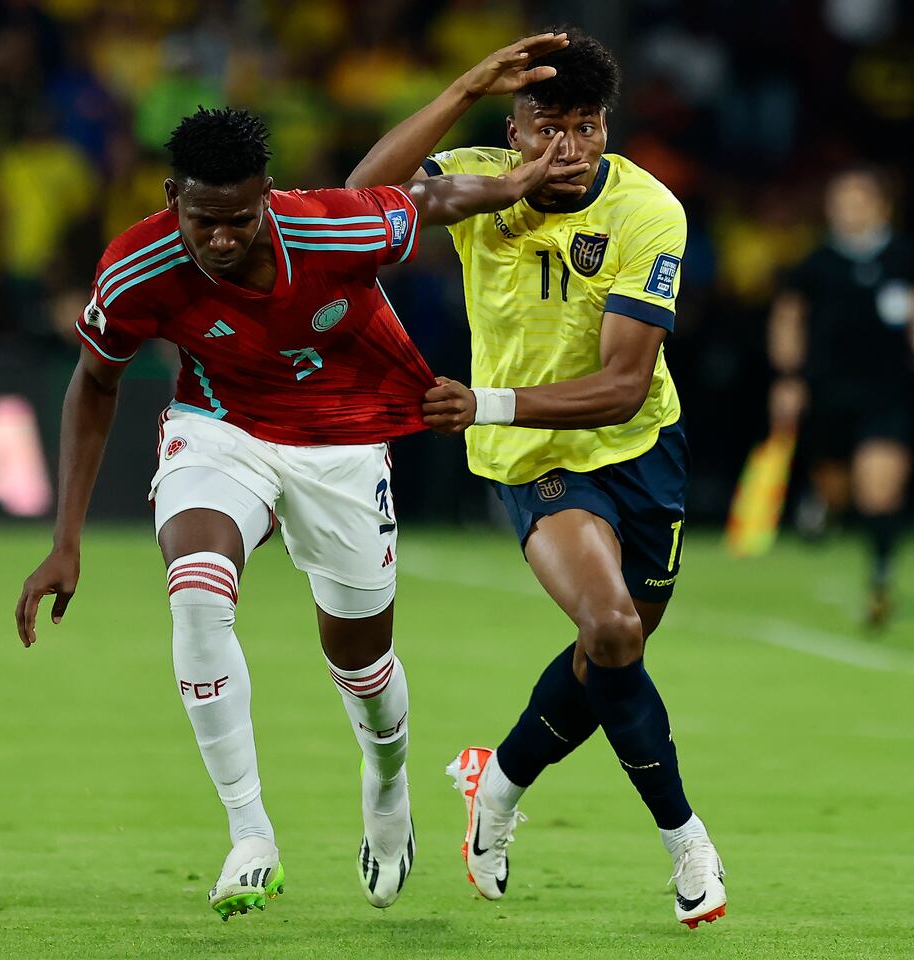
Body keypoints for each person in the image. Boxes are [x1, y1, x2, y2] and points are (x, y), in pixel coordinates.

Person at [14, 106, 572, 920]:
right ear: (172, 198)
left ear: (267, 196)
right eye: (203, 220)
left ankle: (386, 784)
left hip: (343, 440)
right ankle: (250, 836)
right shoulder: (136, 266)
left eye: (241, 219)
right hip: (220, 430)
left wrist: (516, 184)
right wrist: (65, 539)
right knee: (197, 592)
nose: (221, 238)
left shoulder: (330, 228)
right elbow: (95, 382)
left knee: (362, 665)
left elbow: (430, 200)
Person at [348, 30, 726, 928]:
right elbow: (358, 202)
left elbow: (624, 385)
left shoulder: (647, 211)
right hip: (536, 458)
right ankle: (687, 842)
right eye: (547, 128)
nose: (568, 148)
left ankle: (499, 784)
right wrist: (462, 90)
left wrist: (483, 402)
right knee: (613, 627)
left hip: (639, 446)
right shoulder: (475, 180)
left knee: (610, 658)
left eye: (586, 127)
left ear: (606, 130)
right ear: (511, 130)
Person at [768, 167, 914, 626]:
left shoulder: (905, 256)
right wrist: (788, 378)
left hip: (887, 391)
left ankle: (881, 580)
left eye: (857, 201)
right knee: (837, 490)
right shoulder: (815, 263)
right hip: (828, 393)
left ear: (881, 207)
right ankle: (823, 506)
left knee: (879, 490)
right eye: (840, 202)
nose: (847, 210)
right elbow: (788, 319)